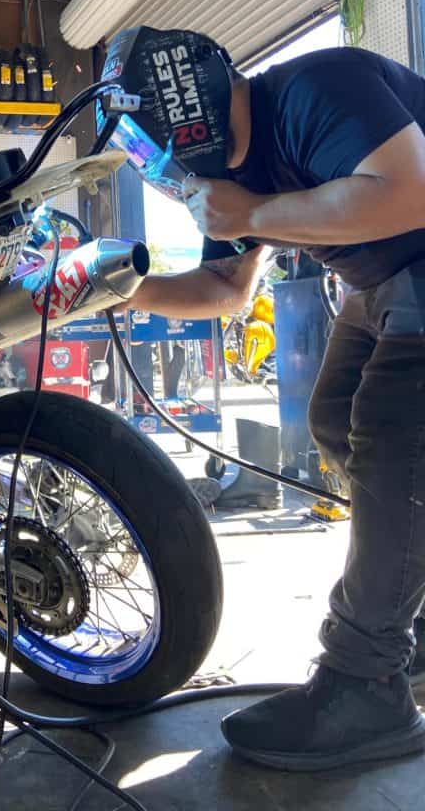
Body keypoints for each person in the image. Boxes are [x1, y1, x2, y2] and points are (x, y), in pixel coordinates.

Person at [119, 42, 425, 771]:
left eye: (166, 160)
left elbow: (411, 189)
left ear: (191, 121)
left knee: (394, 437)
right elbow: (225, 291)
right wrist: (108, 290)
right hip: (382, 284)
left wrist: (254, 210)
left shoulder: (322, 86)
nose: (170, 180)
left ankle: (365, 680)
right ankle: (404, 601)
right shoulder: (226, 172)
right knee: (334, 419)